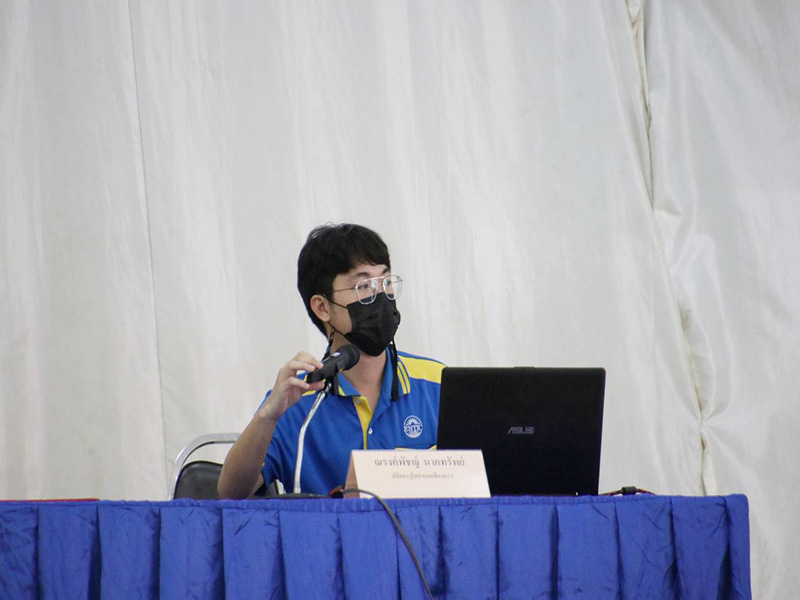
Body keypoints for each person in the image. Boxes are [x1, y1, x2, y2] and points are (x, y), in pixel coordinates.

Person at [218, 223, 444, 498]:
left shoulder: (439, 383)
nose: (381, 296)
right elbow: (231, 493)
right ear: (322, 307)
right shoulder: (296, 401)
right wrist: (268, 416)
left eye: (385, 282)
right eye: (364, 286)